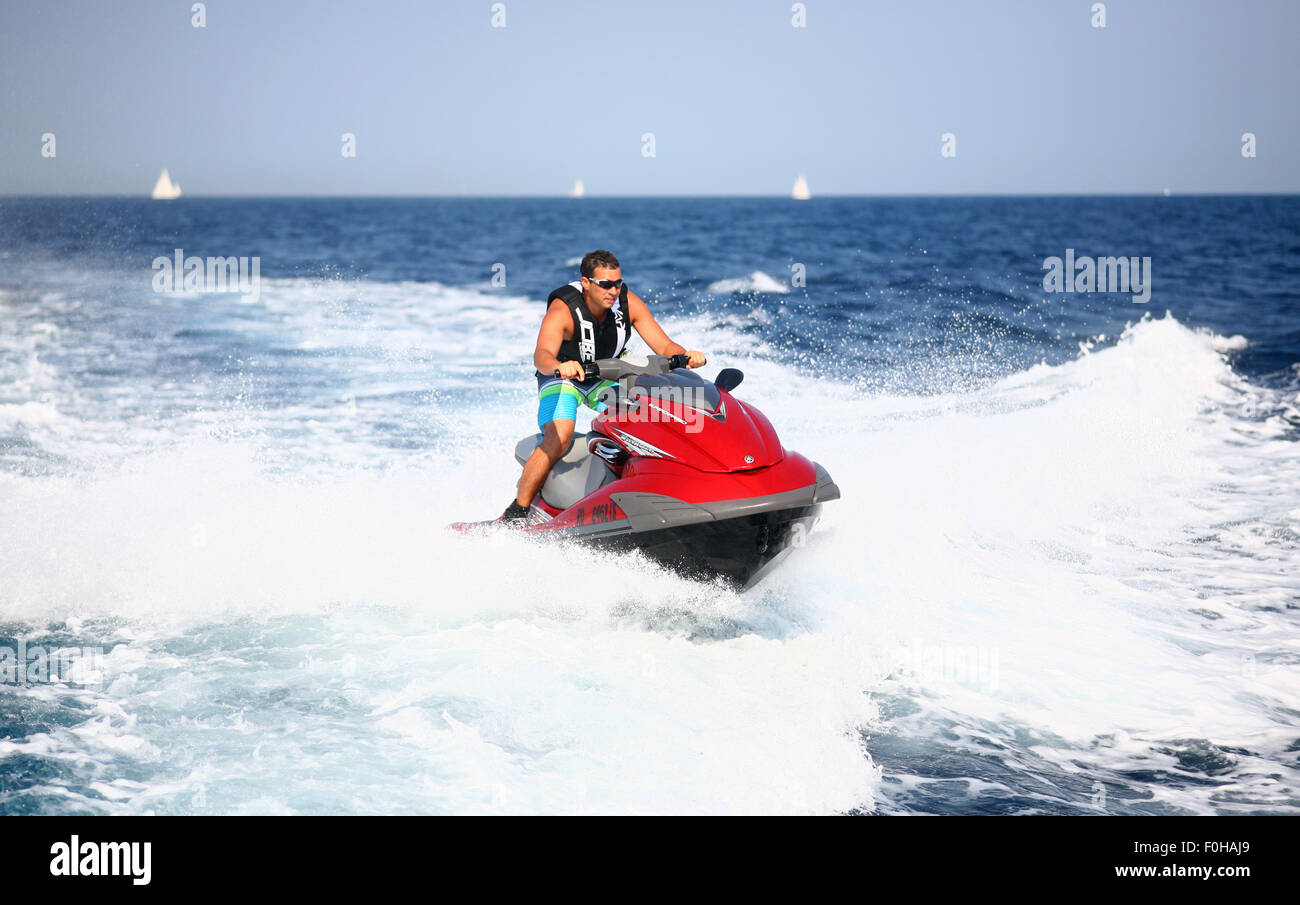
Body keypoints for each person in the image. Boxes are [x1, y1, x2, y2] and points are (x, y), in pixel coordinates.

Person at [499, 249, 706, 525]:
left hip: (605, 374)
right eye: (605, 284)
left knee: (650, 414)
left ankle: (658, 484)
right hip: (563, 377)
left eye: (617, 283)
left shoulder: (628, 303)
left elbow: (665, 346)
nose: (613, 290)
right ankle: (518, 511)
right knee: (560, 436)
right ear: (586, 283)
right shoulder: (563, 310)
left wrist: (686, 357)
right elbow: (542, 356)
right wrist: (561, 366)